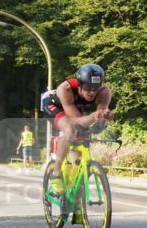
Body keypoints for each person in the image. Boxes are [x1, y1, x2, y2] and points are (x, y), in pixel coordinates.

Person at [42, 63, 114, 196]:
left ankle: (72, 183)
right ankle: (56, 175)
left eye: (96, 88)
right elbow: (76, 121)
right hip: (54, 105)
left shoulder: (104, 92)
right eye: (88, 88)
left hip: (77, 108)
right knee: (71, 129)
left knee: (82, 139)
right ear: (80, 85)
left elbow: (100, 116)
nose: (92, 92)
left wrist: (103, 119)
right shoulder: (66, 89)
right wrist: (93, 117)